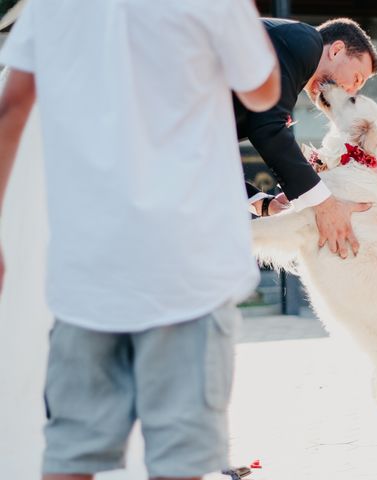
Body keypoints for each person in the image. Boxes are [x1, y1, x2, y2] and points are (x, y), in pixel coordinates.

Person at [0, 1, 280, 480]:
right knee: (180, 462)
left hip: (86, 272)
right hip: (186, 271)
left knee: (71, 457)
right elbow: (262, 90)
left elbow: (12, 107)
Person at [237, 18, 377, 259]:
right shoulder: (303, 42)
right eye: (356, 79)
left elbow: (207, 155)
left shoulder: (294, 54)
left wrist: (263, 204)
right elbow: (268, 128)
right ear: (336, 50)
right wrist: (325, 204)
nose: (351, 92)